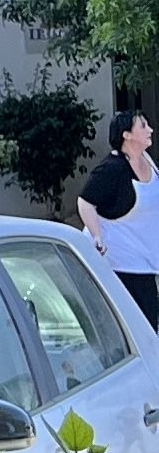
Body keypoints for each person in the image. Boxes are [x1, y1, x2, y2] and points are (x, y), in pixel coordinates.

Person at [80, 110, 159, 326]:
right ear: (127, 135)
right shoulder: (111, 169)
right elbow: (85, 202)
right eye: (143, 126)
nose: (150, 129)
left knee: (149, 323)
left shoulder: (147, 160)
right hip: (119, 261)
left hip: (143, 258)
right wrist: (97, 236)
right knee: (143, 324)